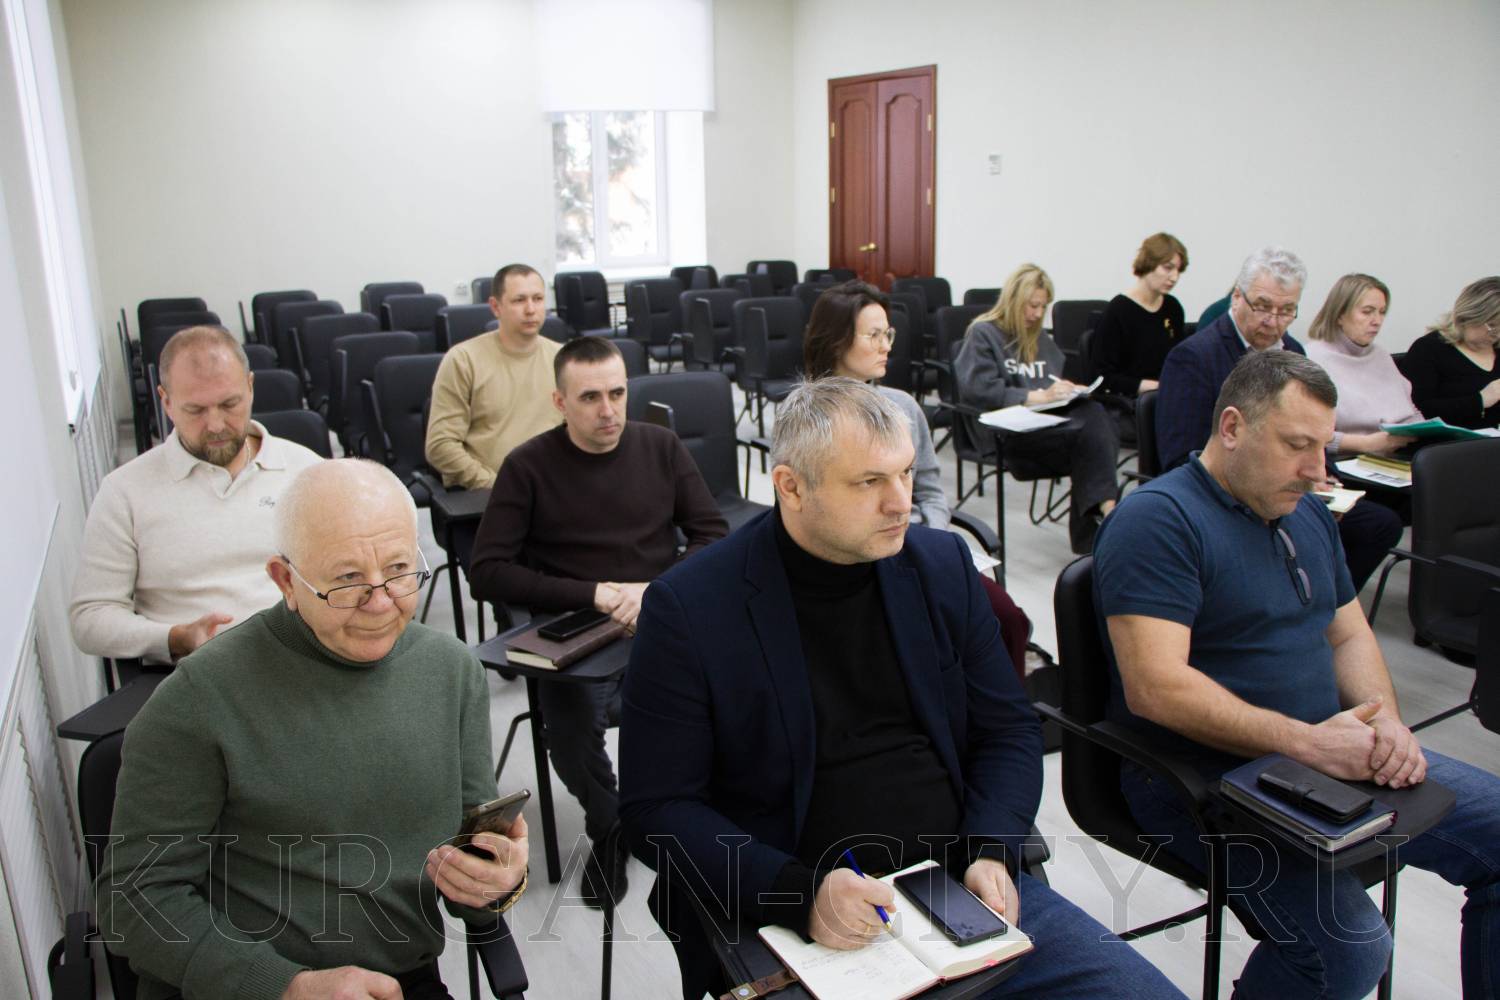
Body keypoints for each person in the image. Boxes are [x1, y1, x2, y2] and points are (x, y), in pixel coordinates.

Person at [619, 378, 1186, 1000]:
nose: (901, 503)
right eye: (869, 482)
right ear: (791, 486)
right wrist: (799, 895)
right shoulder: (693, 607)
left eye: (907, 473)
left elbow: (1008, 729)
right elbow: (657, 808)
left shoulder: (942, 567)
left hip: (958, 887)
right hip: (798, 909)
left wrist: (992, 848)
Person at [1095, 349, 1500, 1000]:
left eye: (1323, 446)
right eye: (1297, 446)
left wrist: (1386, 722)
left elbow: (1348, 632)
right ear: (1232, 427)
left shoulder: (1305, 510)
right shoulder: (1158, 521)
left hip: (1325, 751)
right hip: (1205, 779)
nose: (1318, 469)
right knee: (1351, 950)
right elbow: (1156, 688)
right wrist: (1309, 744)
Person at [97, 459, 528, 1000]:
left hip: (397, 982)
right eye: (347, 580)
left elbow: (470, 863)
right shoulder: (199, 698)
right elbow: (133, 900)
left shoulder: (450, 671)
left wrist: (499, 879)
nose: (381, 602)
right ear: (286, 581)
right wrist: (287, 987)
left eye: (399, 570)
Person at [468, 334, 727, 907]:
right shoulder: (528, 465)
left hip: (659, 616)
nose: (608, 410)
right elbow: (486, 571)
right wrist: (596, 594)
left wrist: (654, 590)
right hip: (575, 629)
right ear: (559, 402)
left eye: (617, 393)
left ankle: (685, 809)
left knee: (719, 695)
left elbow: (711, 533)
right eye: (589, 397)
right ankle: (611, 826)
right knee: (570, 728)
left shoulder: (660, 446)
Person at [802, 278, 1032, 677]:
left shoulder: (903, 406)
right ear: (837, 341)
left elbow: (929, 490)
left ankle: (1000, 710)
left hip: (919, 542)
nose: (886, 346)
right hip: (861, 554)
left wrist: (936, 541)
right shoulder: (807, 417)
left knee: (1007, 619)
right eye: (874, 335)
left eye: (888, 334)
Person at [69, 325, 323, 665]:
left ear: (250, 387)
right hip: (197, 673)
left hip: (305, 661)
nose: (215, 424)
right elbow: (90, 618)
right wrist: (175, 637)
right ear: (166, 402)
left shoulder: (308, 471)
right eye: (195, 410)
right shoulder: (125, 491)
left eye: (229, 404)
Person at [1154, 247, 1402, 591]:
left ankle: (1319, 602)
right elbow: (1181, 458)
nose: (1273, 321)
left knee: (1379, 524)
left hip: (1291, 486)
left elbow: (1311, 431)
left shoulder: (1293, 352)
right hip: (1232, 491)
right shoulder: (1194, 357)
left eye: (1286, 310)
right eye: (1262, 306)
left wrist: (1326, 476)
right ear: (1237, 297)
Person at [954, 263, 1120, 554]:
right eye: (1032, 306)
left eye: (1043, 307)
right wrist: (1035, 396)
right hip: (1003, 433)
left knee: (1094, 416)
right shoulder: (983, 333)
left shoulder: (1038, 336)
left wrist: (1064, 392)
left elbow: (1048, 382)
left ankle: (1103, 516)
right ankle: (1106, 517)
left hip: (1042, 427)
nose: (1037, 314)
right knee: (1093, 436)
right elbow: (978, 389)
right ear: (1014, 300)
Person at [424, 263, 562, 491]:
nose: (531, 309)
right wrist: (496, 485)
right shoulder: (463, 359)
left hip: (552, 488)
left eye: (538, 299)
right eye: (519, 300)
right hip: (488, 492)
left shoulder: (562, 358)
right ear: (496, 307)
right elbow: (440, 446)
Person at [1303, 273, 1420, 455]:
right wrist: (1364, 444)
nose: (1377, 321)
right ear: (1339, 314)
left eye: (1382, 312)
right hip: (1347, 461)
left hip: (1397, 455)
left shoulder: (1381, 355)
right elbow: (1305, 434)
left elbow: (1409, 412)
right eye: (1367, 312)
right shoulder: (1311, 358)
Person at [1092, 232, 1189, 400]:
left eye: (1178, 270)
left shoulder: (1172, 307)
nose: (1174, 277)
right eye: (1168, 268)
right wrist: (1148, 386)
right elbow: (1101, 378)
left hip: (1167, 397)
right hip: (1131, 402)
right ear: (1149, 264)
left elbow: (1179, 361)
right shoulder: (1119, 311)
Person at [1399, 275, 1500, 429]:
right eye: (1493, 326)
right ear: (1469, 315)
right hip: (1452, 442)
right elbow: (1415, 413)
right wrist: (1479, 400)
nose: (1497, 335)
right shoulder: (1429, 349)